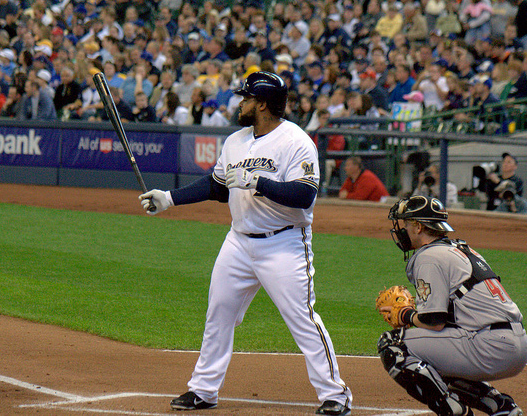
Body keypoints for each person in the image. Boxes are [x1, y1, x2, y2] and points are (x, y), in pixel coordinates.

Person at [138, 71, 352, 414]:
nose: (240, 103)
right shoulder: (236, 141)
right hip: (238, 242)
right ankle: (203, 390)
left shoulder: (296, 142)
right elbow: (217, 186)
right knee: (219, 313)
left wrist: (258, 181)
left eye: (246, 98)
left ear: (262, 104)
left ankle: (336, 395)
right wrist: (169, 198)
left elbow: (304, 195)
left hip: (283, 243)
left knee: (302, 319)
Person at [380, 195, 527, 416]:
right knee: (432, 363)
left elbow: (434, 321)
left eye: (406, 224)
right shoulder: (460, 249)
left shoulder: (429, 256)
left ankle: (454, 412)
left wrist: (405, 315)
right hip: (515, 344)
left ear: (418, 227)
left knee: (392, 344)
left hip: (488, 345)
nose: (403, 230)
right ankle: (502, 407)